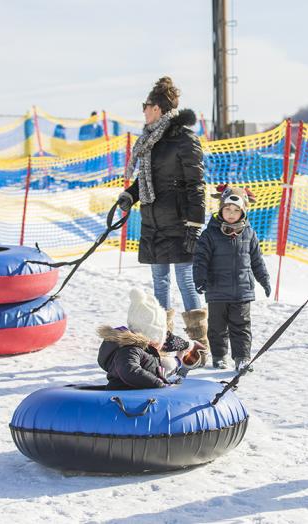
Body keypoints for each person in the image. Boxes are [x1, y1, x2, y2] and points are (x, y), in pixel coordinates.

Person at [116, 77, 210, 365]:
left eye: (145, 106)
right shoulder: (149, 140)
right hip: (154, 222)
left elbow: (197, 184)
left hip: (179, 221)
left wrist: (195, 224)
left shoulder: (184, 139)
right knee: (159, 280)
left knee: (184, 278)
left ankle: (200, 345)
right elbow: (147, 181)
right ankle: (164, 342)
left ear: (156, 109)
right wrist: (130, 196)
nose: (143, 111)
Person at [192, 185, 271, 371]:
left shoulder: (249, 233)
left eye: (236, 210)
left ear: (243, 211)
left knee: (241, 327)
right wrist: (200, 279)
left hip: (242, 292)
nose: (231, 213)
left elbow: (257, 260)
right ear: (220, 209)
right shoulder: (209, 234)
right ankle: (219, 357)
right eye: (227, 208)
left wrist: (264, 280)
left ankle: (242, 358)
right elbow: (200, 259)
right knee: (217, 328)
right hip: (217, 290)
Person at [97, 288, 204, 389]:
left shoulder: (145, 351)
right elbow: (129, 370)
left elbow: (153, 367)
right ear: (150, 336)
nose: (162, 343)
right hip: (124, 398)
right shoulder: (130, 350)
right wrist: (158, 384)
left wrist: (179, 359)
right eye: (160, 337)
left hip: (138, 397)